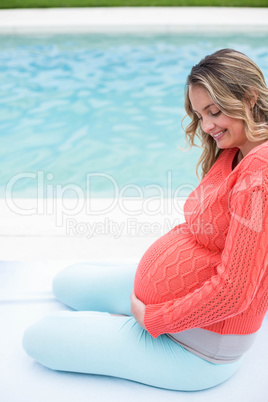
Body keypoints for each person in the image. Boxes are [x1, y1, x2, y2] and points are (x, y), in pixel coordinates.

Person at [23, 49, 268, 392]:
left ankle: (129, 324)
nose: (207, 126)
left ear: (249, 97)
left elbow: (234, 293)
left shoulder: (261, 173)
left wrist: (153, 319)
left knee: (38, 338)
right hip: (168, 299)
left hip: (200, 347)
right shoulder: (235, 150)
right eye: (200, 115)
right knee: (66, 282)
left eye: (214, 111)